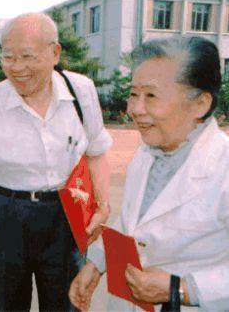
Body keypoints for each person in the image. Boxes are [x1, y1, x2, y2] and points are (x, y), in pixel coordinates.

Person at [0, 12, 112, 311]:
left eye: (27, 56)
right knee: (10, 304)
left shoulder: (81, 91)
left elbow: (96, 150)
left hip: (67, 210)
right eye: (8, 57)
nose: (17, 68)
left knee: (67, 303)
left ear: (55, 52)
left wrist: (103, 204)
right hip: (7, 215)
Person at [69, 36, 229, 311]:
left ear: (200, 104)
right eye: (133, 94)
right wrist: (97, 263)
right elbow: (133, 224)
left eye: (151, 96)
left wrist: (181, 289)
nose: (134, 109)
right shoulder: (148, 151)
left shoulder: (223, 168)